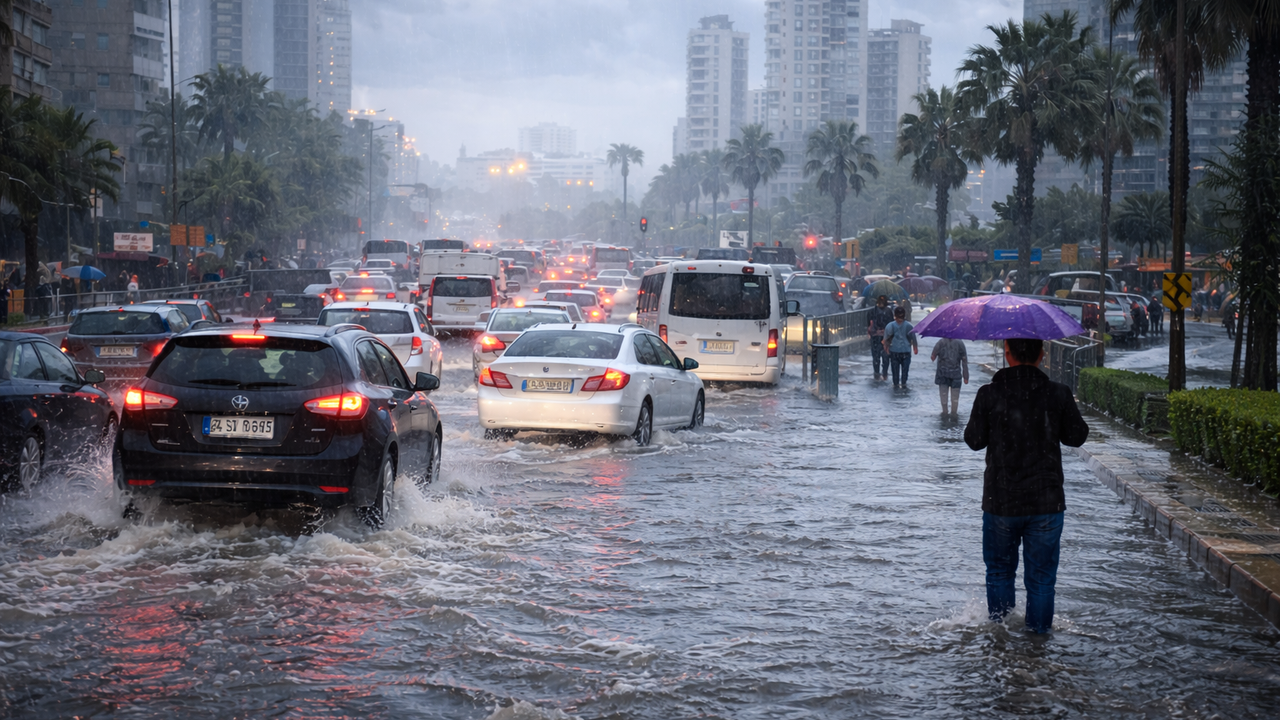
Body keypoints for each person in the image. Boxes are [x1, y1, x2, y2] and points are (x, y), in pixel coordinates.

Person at [964, 338, 1090, 634]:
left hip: (1001, 502)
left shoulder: (989, 394)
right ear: (1041, 355)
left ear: (1007, 354)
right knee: (1042, 581)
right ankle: (1037, 646)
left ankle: (1001, 640)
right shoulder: (1057, 393)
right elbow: (1077, 437)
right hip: (1046, 504)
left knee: (998, 574)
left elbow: (973, 440)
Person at [931, 337, 969, 416]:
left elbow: (933, 356)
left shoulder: (940, 342)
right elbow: (964, 360)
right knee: (955, 399)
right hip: (956, 375)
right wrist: (966, 376)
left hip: (942, 374)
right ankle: (954, 415)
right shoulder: (960, 343)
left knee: (943, 398)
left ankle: (945, 414)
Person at [882, 306, 918, 389]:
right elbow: (913, 338)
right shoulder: (909, 326)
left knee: (895, 371)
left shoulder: (890, 326)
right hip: (905, 351)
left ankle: (896, 385)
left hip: (894, 351)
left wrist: (886, 348)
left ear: (895, 315)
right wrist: (915, 348)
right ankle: (903, 385)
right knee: (904, 371)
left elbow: (885, 340)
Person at [867, 294, 894, 381]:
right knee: (885, 356)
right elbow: (891, 325)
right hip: (885, 338)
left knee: (876, 357)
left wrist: (871, 333)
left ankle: (876, 374)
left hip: (875, 337)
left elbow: (869, 324)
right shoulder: (889, 311)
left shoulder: (872, 311)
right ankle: (884, 374)